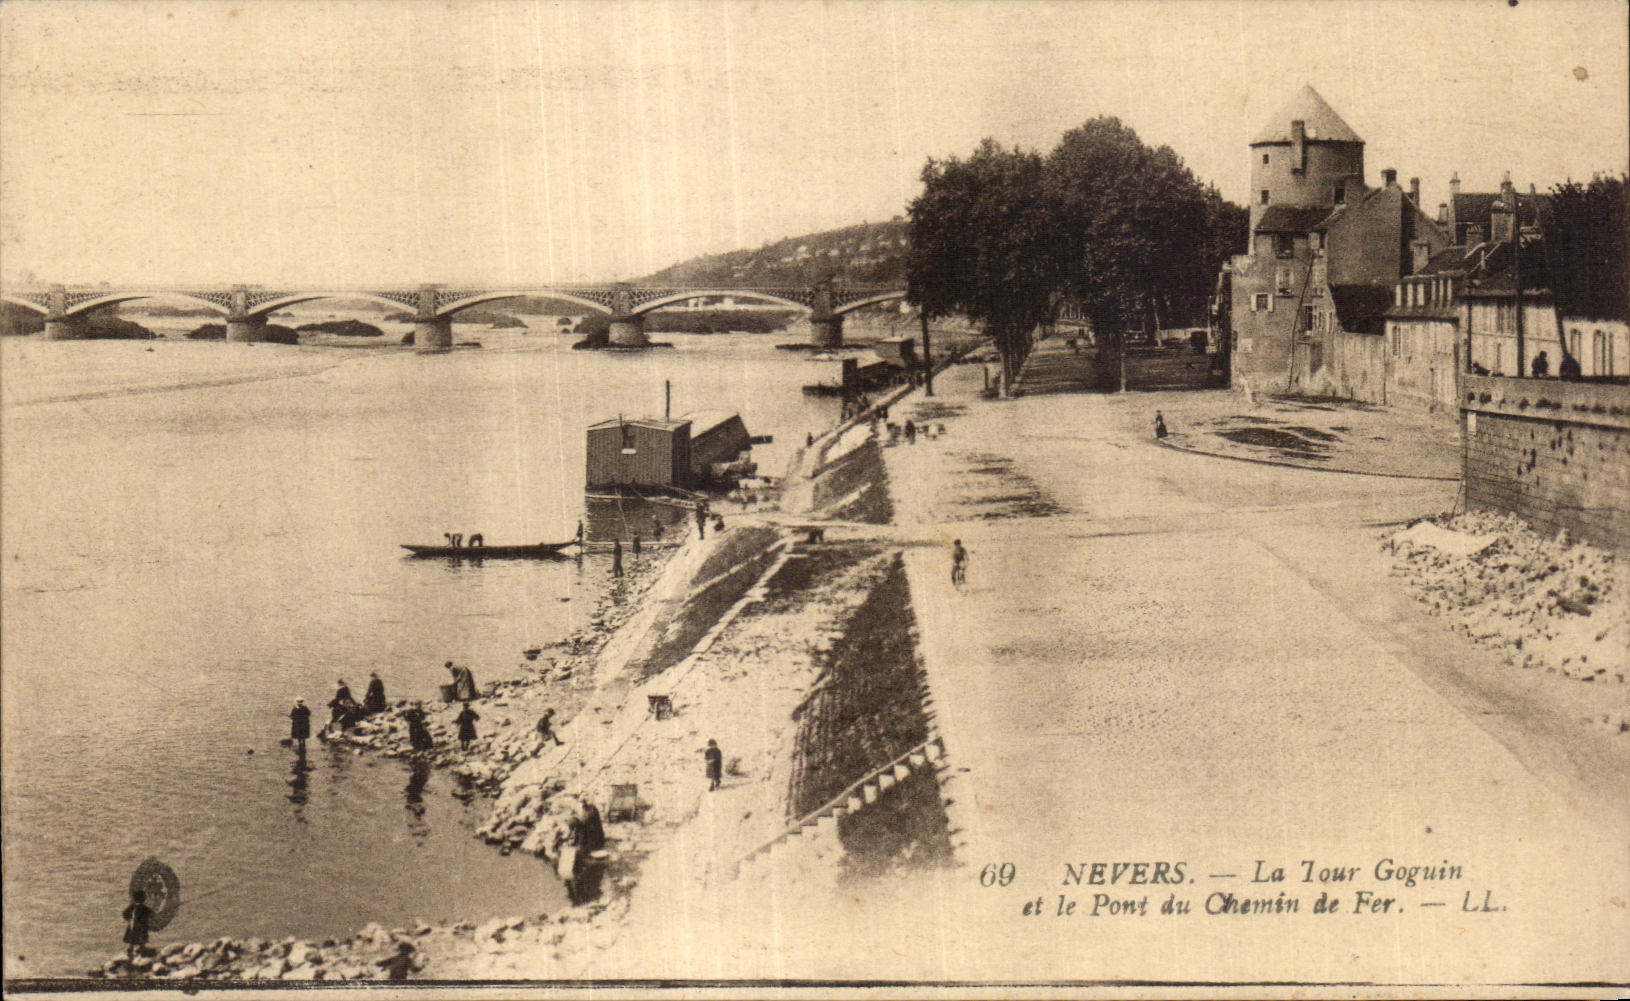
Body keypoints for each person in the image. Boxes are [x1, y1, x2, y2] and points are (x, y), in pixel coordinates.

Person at [122, 890, 154, 959]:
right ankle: (141, 950)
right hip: (142, 926)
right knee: (141, 938)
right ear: (142, 899)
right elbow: (152, 913)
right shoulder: (144, 908)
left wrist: (129, 919)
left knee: (132, 939)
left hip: (133, 926)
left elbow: (125, 913)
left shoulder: (132, 906)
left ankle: (131, 951)